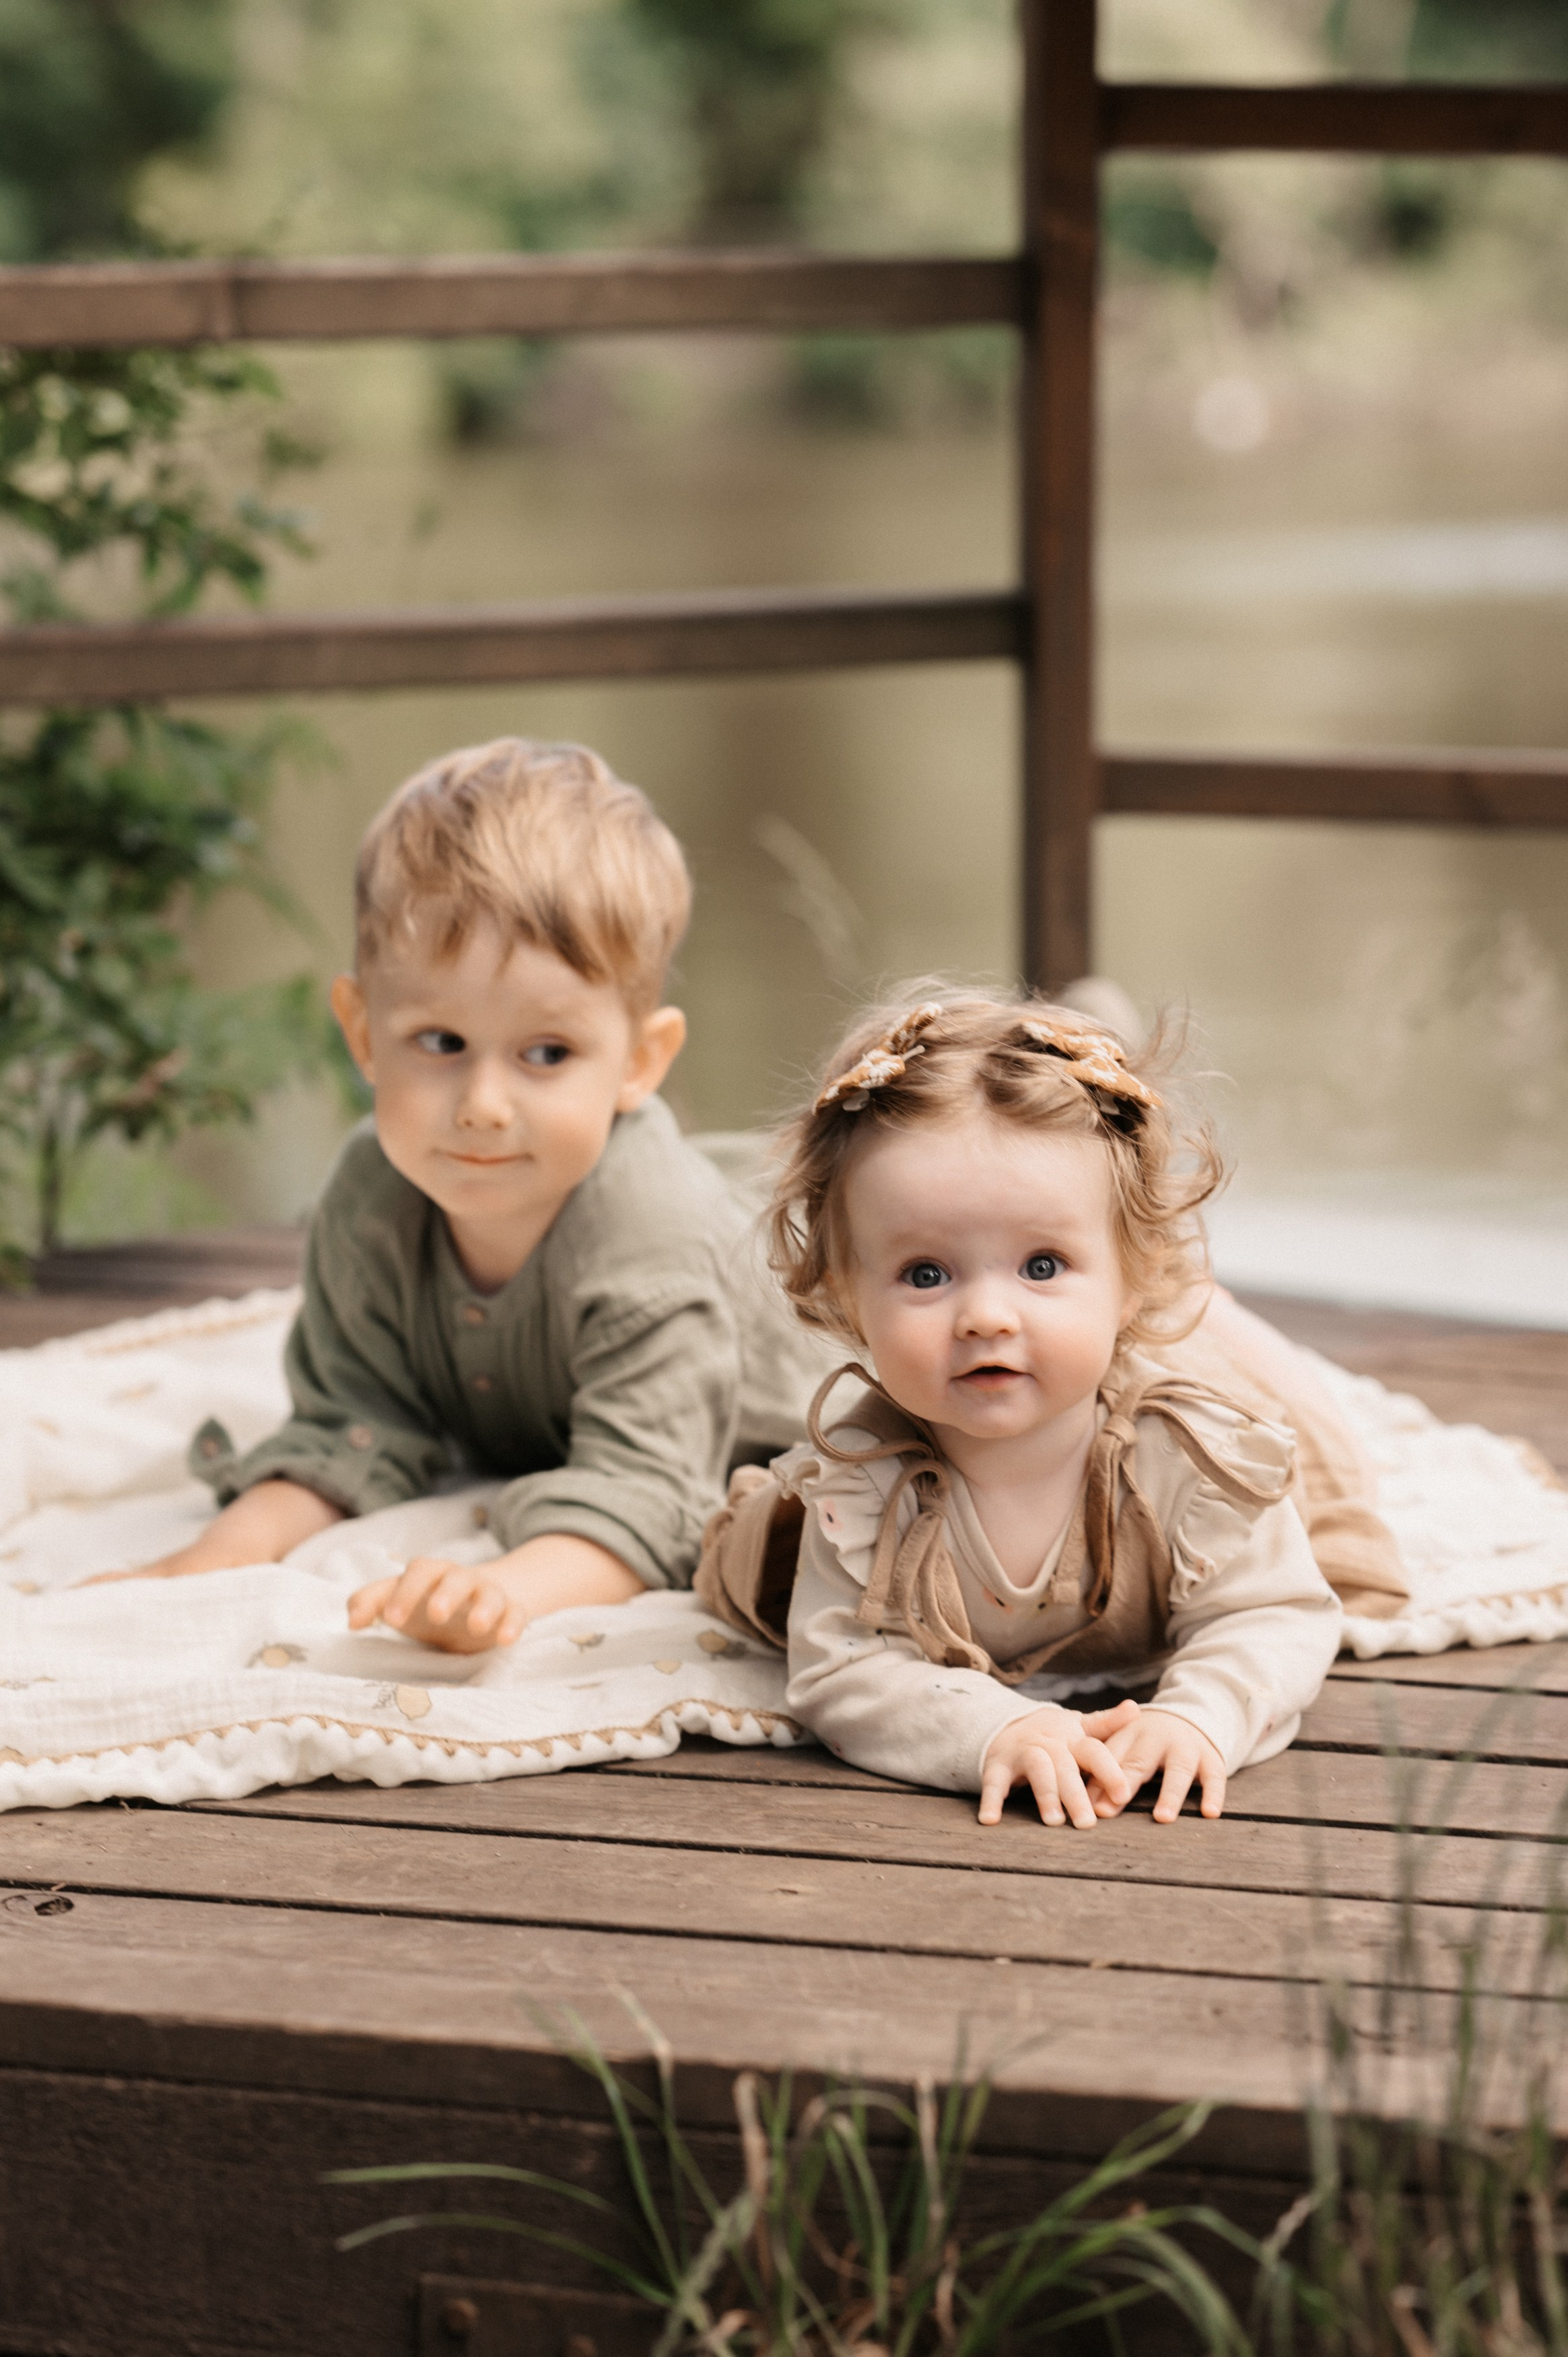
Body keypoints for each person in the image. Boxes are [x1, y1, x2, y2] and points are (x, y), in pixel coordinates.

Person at [118, 735, 817, 1650]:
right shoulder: (373, 1196)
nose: (483, 1105)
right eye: (441, 1042)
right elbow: (352, 1425)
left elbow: (649, 1495)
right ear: (363, 1033)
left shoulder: (651, 1238)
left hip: (797, 1365)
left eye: (547, 1053)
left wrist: (501, 1591)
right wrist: (219, 1553)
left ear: (639, 1061)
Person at [697, 992, 1347, 1830]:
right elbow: (844, 1667)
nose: (986, 1316)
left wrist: (1201, 1714)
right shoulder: (860, 1480)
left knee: (1333, 1470)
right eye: (926, 1274)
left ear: (1133, 1274)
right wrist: (994, 1725)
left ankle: (1210, 1305)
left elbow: (1274, 1613)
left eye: (1041, 1265)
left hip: (1175, 1373)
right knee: (737, 1556)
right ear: (847, 1295)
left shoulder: (1187, 1455)